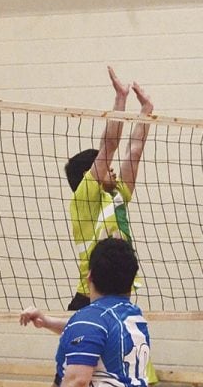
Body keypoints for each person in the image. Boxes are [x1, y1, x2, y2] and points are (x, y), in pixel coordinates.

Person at [21, 238, 152, 387]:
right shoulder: (133, 317)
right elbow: (94, 331)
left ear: (89, 276)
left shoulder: (90, 319)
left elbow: (78, 381)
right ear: (131, 281)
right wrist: (47, 322)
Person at [64, 65, 152, 311]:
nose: (111, 169)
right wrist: (120, 100)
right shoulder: (84, 198)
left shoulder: (116, 195)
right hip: (88, 300)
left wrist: (146, 110)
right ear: (87, 175)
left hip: (118, 298)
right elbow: (110, 145)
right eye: (104, 166)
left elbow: (134, 152)